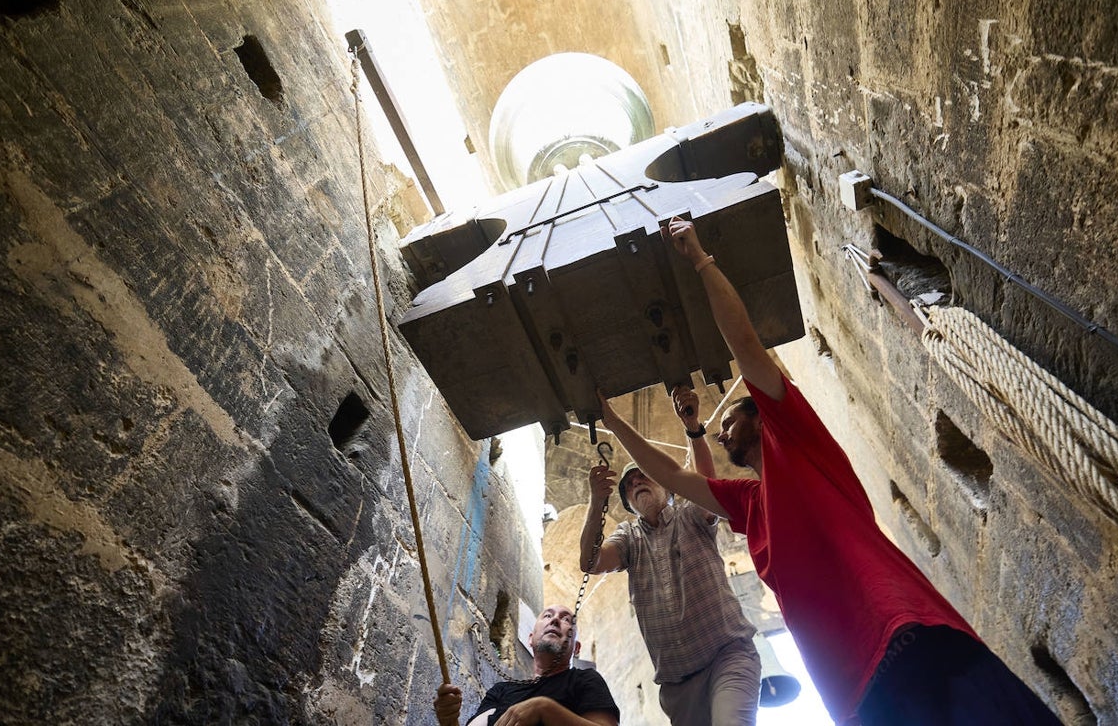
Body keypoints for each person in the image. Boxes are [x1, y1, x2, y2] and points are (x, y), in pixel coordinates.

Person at [595, 215, 1063, 725]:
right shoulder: (749, 505)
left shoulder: (793, 440)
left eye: (729, 419)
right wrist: (617, 425)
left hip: (900, 630)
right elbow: (675, 477)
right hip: (854, 695)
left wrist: (699, 259)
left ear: (762, 416)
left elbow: (746, 348)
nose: (721, 429)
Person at [579, 386, 761, 725]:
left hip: (727, 658)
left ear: (665, 485)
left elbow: (705, 481)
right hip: (678, 686)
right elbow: (590, 562)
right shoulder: (629, 538)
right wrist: (595, 502)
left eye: (644, 477)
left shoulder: (689, 513)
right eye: (630, 485)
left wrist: (693, 427)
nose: (637, 483)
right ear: (629, 506)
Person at [432, 604, 620, 726]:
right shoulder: (501, 691)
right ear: (531, 639)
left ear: (576, 648)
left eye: (566, 619)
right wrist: (449, 721)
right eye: (547, 616)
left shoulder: (584, 680)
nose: (555, 620)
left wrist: (544, 709)